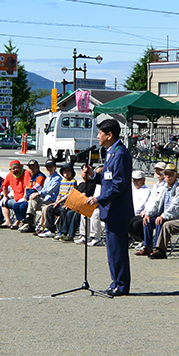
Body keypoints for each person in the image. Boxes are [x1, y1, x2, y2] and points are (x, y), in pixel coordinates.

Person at [86, 118, 133, 296]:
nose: (98, 136)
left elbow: (118, 185)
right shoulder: (111, 151)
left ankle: (120, 285)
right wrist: (92, 176)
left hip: (117, 210)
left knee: (117, 249)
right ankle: (116, 282)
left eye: (100, 133)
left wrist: (98, 199)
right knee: (112, 249)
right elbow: (108, 179)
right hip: (111, 209)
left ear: (110, 135)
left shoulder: (120, 153)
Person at [136, 163, 179, 257]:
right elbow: (156, 203)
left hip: (176, 217)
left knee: (159, 221)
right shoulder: (164, 188)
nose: (167, 176)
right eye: (166, 174)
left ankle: (158, 248)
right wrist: (149, 214)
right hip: (163, 215)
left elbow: (176, 207)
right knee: (148, 221)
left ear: (175, 175)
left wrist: (163, 216)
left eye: (170, 174)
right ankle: (147, 247)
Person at [56, 164, 97, 242]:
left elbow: (83, 196)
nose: (85, 173)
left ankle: (71, 235)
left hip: (87, 207)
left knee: (76, 214)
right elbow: (73, 195)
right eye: (83, 171)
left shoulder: (92, 184)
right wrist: (67, 203)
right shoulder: (81, 184)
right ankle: (64, 233)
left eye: (87, 171)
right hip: (78, 206)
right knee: (68, 212)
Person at [128, 162, 166, 243]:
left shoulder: (165, 186)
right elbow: (150, 201)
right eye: (156, 170)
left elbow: (157, 203)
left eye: (160, 170)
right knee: (128, 221)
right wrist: (146, 210)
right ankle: (141, 240)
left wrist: (148, 213)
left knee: (136, 224)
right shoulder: (156, 185)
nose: (158, 172)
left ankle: (147, 242)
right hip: (149, 212)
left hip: (159, 214)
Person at [22, 159, 61, 233]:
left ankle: (43, 227)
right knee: (33, 199)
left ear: (55, 167)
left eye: (51, 167)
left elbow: (49, 190)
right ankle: (30, 219)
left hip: (53, 200)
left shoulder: (57, 178)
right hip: (45, 199)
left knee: (43, 206)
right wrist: (31, 195)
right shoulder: (47, 178)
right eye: (47, 167)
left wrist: (38, 193)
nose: (49, 169)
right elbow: (29, 188)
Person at [43, 163, 77, 239]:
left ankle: (61, 231)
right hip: (60, 202)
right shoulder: (62, 181)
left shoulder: (73, 181)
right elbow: (60, 194)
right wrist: (56, 202)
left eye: (68, 171)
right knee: (50, 209)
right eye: (64, 171)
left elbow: (70, 194)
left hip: (68, 204)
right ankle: (50, 230)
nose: (66, 173)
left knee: (63, 210)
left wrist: (60, 202)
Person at [75, 165, 105, 247]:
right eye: (97, 173)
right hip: (95, 205)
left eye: (100, 173)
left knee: (95, 213)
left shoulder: (106, 185)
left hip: (104, 206)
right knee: (84, 211)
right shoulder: (95, 184)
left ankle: (96, 238)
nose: (97, 175)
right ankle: (84, 235)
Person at [0, 160, 31, 228]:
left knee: (17, 206)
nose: (15, 170)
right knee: (3, 203)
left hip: (25, 199)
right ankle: (8, 221)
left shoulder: (26, 173)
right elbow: (4, 186)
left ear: (21, 167)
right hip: (16, 198)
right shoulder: (10, 175)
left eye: (17, 167)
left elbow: (27, 186)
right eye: (13, 168)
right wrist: (5, 196)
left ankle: (18, 221)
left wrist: (25, 196)